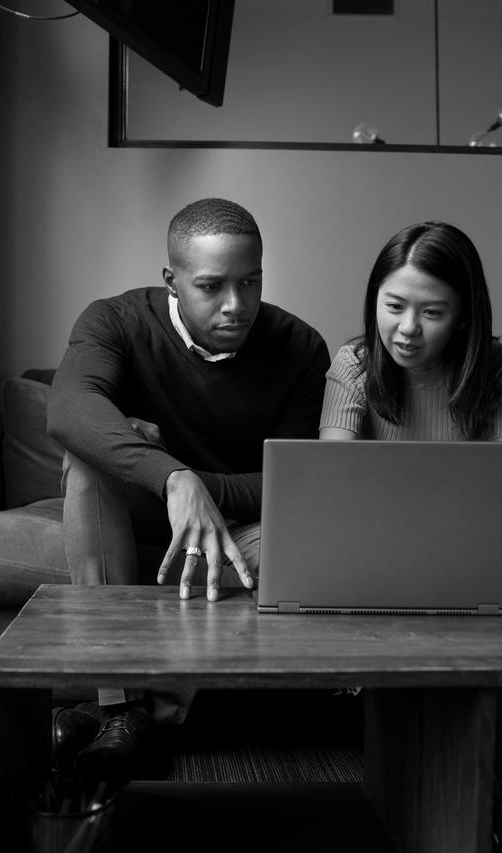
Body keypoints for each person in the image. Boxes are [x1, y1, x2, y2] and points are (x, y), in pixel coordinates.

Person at [46, 197, 330, 781]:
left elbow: (292, 482)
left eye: (251, 282)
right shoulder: (114, 321)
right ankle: (120, 707)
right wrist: (170, 476)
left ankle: (113, 717)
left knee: (301, 553)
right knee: (87, 461)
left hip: (239, 524)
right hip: (141, 512)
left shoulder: (300, 348)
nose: (236, 305)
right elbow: (69, 409)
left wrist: (201, 488)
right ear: (171, 282)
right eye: (212, 286)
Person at [318, 221, 502, 443]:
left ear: (463, 316)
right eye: (395, 307)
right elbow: (331, 470)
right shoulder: (353, 365)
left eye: (431, 312)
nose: (409, 327)